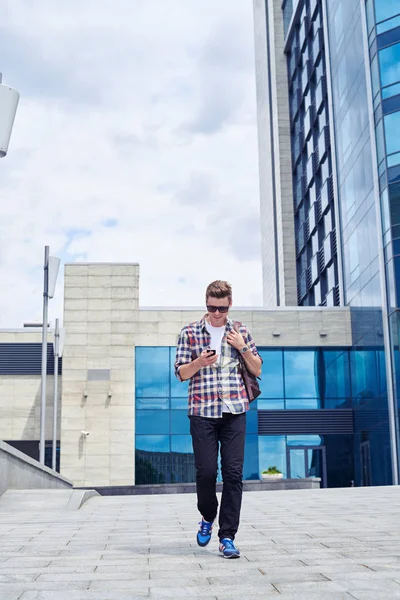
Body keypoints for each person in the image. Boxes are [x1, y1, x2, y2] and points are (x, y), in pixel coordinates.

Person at [174, 280, 262, 559]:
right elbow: (180, 374)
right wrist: (199, 362)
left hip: (234, 410)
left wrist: (242, 347)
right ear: (206, 303)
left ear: (229, 305)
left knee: (234, 475)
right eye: (211, 307)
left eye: (221, 308)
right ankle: (207, 516)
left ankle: (227, 537)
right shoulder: (189, 332)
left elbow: (257, 368)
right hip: (202, 412)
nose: (216, 313)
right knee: (207, 473)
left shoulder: (240, 330)